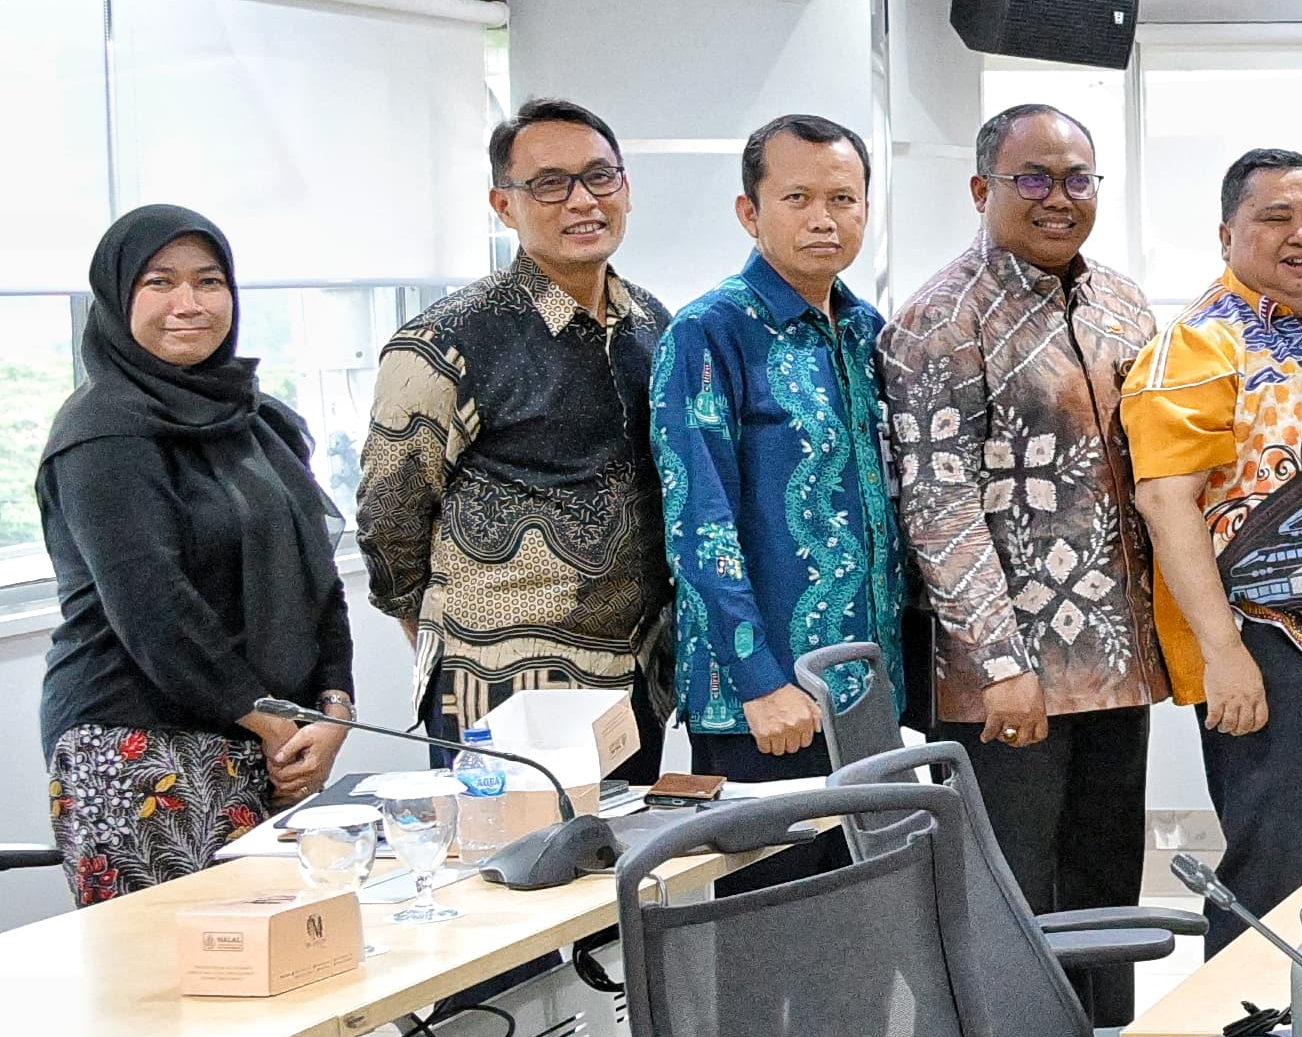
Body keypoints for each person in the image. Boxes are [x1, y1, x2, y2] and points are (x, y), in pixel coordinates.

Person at [879, 104, 1163, 929]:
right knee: (1013, 912)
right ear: (981, 188)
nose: (1058, 198)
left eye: (1077, 178)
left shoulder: (1122, 304)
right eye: (1032, 178)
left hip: (1116, 667)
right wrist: (1000, 662)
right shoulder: (939, 320)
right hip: (1006, 679)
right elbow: (938, 503)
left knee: (1111, 901)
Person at [1125, 152, 1302, 955]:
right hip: (1266, 647)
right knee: (1274, 876)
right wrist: (1223, 655)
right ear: (1227, 234)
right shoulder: (1197, 345)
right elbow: (1165, 501)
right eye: (1275, 217)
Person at [37, 208, 355, 904]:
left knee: (297, 972)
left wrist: (333, 708)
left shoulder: (259, 421)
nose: (189, 304)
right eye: (160, 282)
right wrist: (274, 722)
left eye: (209, 282)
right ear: (119, 299)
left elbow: (317, 578)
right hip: (141, 748)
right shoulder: (103, 433)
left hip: (272, 741)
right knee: (192, 990)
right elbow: (152, 606)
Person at [355, 101, 673, 763]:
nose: (582, 200)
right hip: (498, 687)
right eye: (550, 184)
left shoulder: (653, 322)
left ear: (627, 188)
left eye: (599, 177)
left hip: (634, 676)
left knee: (626, 865)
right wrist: (441, 633)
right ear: (504, 206)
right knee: (505, 868)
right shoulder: (446, 340)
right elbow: (390, 515)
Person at [650, 115, 904, 783]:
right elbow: (698, 522)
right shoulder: (709, 332)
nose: (822, 218)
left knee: (878, 885)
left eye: (841, 200)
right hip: (765, 707)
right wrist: (759, 682)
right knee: (777, 887)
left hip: (869, 693)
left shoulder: (865, 331)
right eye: (797, 199)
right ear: (748, 211)